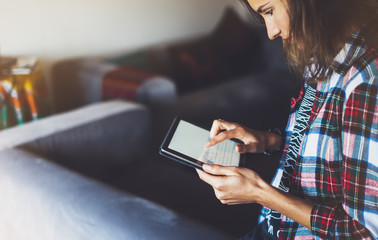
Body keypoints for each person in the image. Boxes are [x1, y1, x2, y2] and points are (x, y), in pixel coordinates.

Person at [196, 0, 378, 239]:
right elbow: (331, 142)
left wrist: (262, 193)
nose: (271, 33)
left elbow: (363, 233)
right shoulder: (325, 54)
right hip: (276, 226)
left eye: (269, 11)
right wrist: (269, 140)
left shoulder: (365, 82)